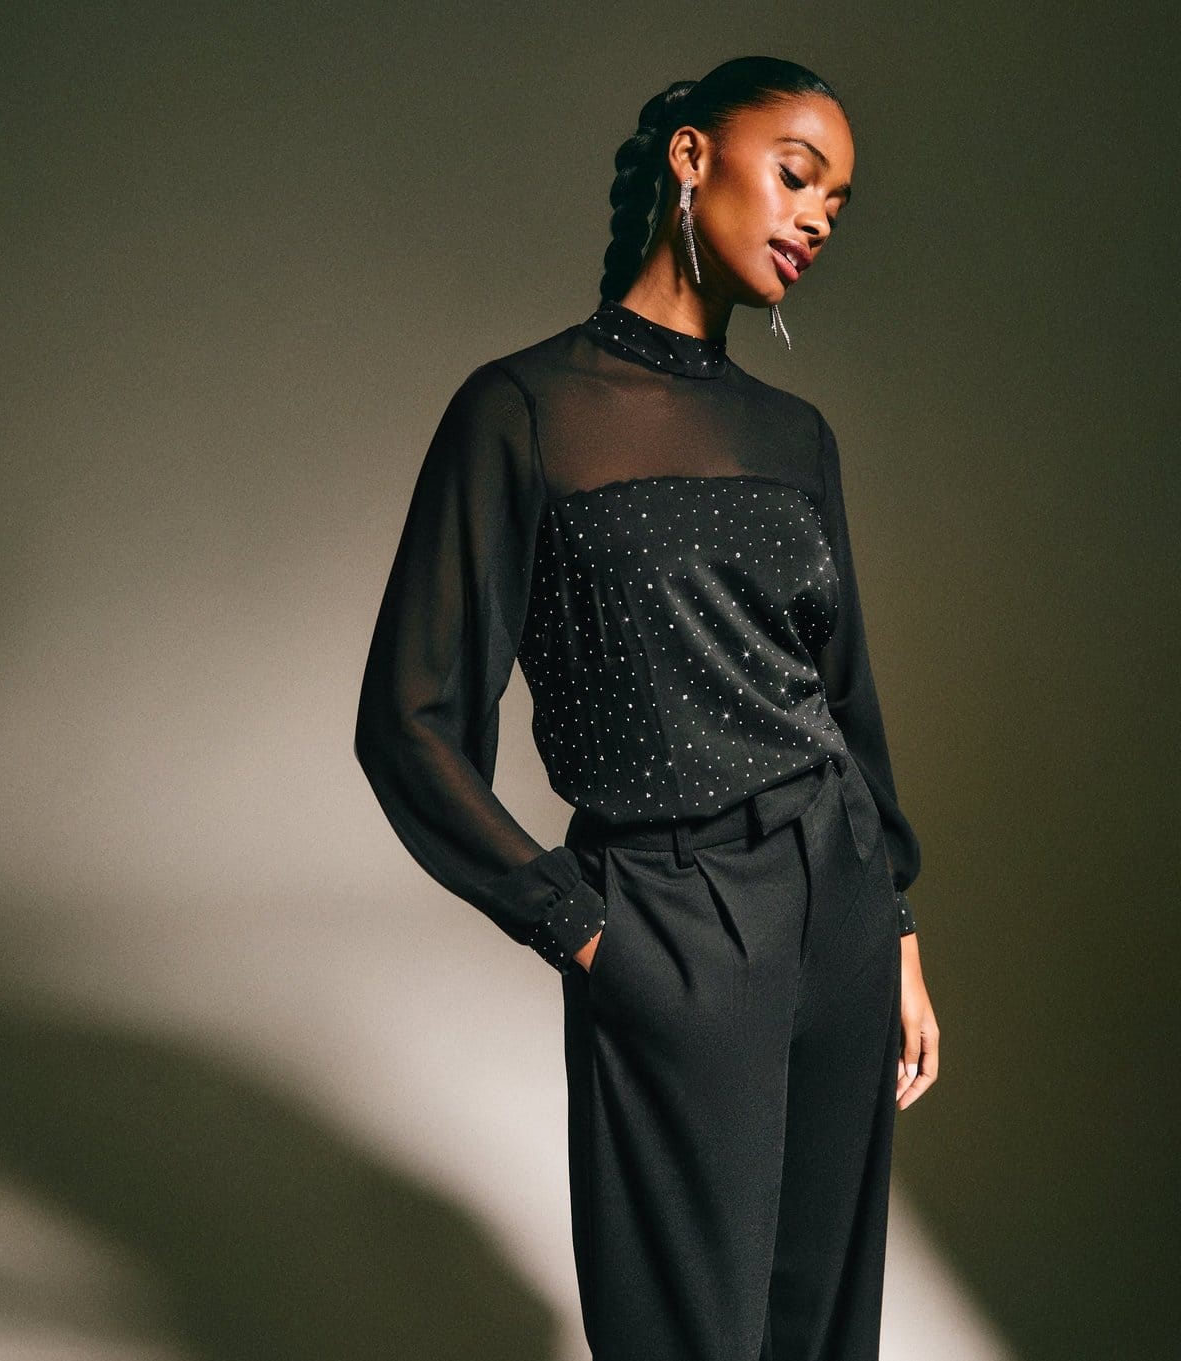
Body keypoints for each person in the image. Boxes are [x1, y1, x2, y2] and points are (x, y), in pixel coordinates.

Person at [354, 53, 940, 1361]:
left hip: (839, 904)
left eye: (835, 204)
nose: (815, 220)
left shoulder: (796, 436)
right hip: (669, 916)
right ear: (691, 157)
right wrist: (578, 927)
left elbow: (844, 701)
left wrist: (895, 925)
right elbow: (409, 719)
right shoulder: (523, 412)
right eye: (797, 176)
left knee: (818, 1330)